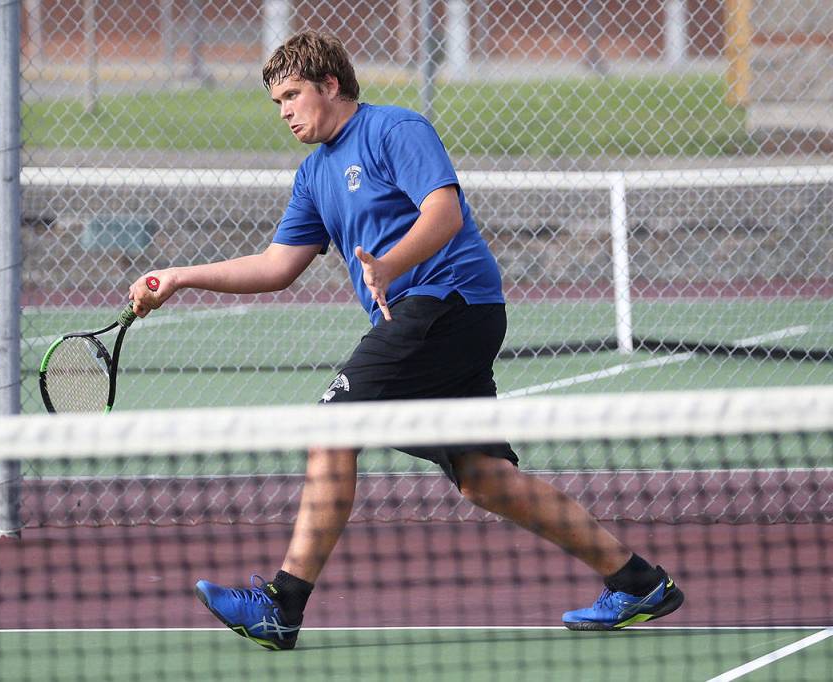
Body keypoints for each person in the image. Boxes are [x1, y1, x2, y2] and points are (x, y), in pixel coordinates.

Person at [128, 30, 683, 648]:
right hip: (435, 318)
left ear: (330, 85)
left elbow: (443, 213)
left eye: (291, 95)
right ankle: (638, 582)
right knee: (482, 477)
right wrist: (180, 276)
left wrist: (389, 264)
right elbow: (277, 265)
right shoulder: (314, 174)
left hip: (449, 300)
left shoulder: (395, 129)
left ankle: (282, 605)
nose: (283, 112)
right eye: (276, 102)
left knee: (332, 425)